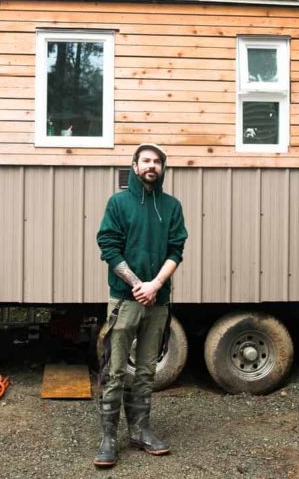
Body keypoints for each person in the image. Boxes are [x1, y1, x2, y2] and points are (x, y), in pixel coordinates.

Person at [93, 143, 188, 468]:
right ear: (134, 167)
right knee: (116, 369)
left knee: (146, 370)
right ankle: (108, 437)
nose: (152, 166)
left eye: (157, 161)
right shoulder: (118, 203)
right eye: (146, 161)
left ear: (162, 168)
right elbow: (108, 245)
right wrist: (137, 285)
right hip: (125, 298)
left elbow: (176, 250)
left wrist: (155, 286)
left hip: (157, 300)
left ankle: (140, 430)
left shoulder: (172, 206)